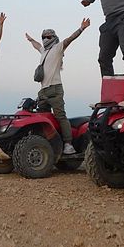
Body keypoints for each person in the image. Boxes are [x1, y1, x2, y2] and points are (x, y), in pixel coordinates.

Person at [25, 18, 91, 155]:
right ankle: (48, 143)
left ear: (54, 37)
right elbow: (37, 45)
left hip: (55, 89)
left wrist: (81, 28)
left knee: (60, 116)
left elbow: (69, 39)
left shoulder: (58, 48)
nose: (45, 39)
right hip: (43, 91)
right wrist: (31, 40)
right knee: (43, 117)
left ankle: (68, 144)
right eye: (43, 37)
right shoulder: (44, 51)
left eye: (48, 36)